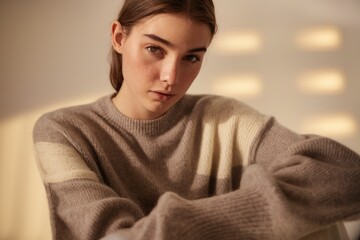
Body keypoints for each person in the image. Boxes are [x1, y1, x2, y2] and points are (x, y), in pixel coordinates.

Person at [33, 0, 360, 239]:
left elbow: (345, 176)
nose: (171, 77)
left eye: (191, 57)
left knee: (319, 223)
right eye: (155, 49)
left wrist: (187, 224)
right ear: (119, 37)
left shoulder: (224, 119)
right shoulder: (64, 131)